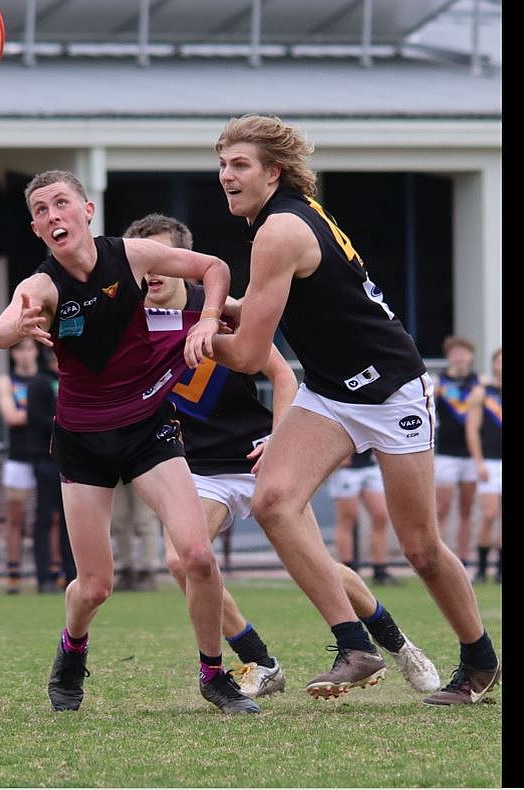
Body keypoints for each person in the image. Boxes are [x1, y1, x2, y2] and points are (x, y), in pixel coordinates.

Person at [209, 114, 499, 705]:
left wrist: (195, 336)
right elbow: (279, 311)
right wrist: (219, 314)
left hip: (390, 389)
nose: (226, 176)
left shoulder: (280, 229)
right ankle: (354, 645)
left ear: (274, 171)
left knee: (418, 547)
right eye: (222, 165)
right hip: (332, 390)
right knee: (273, 502)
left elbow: (246, 356)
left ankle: (479, 660)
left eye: (240, 165)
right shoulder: (280, 220)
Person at [130, 212, 438, 699]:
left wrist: (279, 439)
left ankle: (399, 646)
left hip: (254, 459)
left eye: (163, 258)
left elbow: (281, 375)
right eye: (142, 259)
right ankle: (258, 658)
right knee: (181, 560)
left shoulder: (219, 309)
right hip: (196, 469)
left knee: (322, 567)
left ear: (188, 264)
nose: (153, 270)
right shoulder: (126, 322)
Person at [0, 169, 259, 714]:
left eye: (61, 203)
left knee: (198, 555)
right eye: (40, 210)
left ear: (87, 211)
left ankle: (213, 674)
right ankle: (72, 650)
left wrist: (209, 316)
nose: (52, 215)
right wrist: (19, 324)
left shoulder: (131, 256)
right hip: (83, 441)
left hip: (148, 429)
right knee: (95, 587)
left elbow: (215, 267)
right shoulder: (42, 286)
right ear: (36, 230)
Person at [0, 336, 41, 594]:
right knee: (16, 517)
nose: (25, 355)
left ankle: (53, 569)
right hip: (18, 457)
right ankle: (13, 572)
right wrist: (42, 413)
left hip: (45, 455)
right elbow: (11, 416)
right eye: (20, 350)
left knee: (52, 517)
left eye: (29, 349)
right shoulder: (7, 381)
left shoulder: (46, 380)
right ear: (14, 354)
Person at [27, 348, 75, 594]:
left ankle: (73, 574)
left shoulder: (72, 379)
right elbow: (35, 418)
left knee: (71, 519)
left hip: (70, 458)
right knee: (45, 518)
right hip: (46, 459)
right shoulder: (39, 383)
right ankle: (43, 575)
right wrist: (65, 425)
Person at [434, 336, 481, 566]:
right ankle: (440, 558)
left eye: (464, 352)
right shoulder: (439, 384)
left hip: (471, 455)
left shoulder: (479, 383)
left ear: (471, 356)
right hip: (446, 454)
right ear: (449, 356)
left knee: (466, 509)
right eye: (455, 353)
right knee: (441, 508)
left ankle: (464, 557)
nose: (460, 357)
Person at [329, 449, 397, 585]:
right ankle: (348, 570)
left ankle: (380, 570)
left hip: (369, 466)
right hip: (347, 469)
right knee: (348, 518)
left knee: (380, 516)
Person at [465, 348, 502, 584]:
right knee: (488, 514)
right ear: (494, 365)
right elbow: (472, 430)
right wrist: (478, 462)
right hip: (489, 461)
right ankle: (480, 567)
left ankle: (499, 568)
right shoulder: (482, 393)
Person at [109, 482, 161, 591]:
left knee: (145, 519)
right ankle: (126, 570)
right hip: (114, 473)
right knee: (118, 519)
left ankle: (148, 570)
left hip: (143, 469)